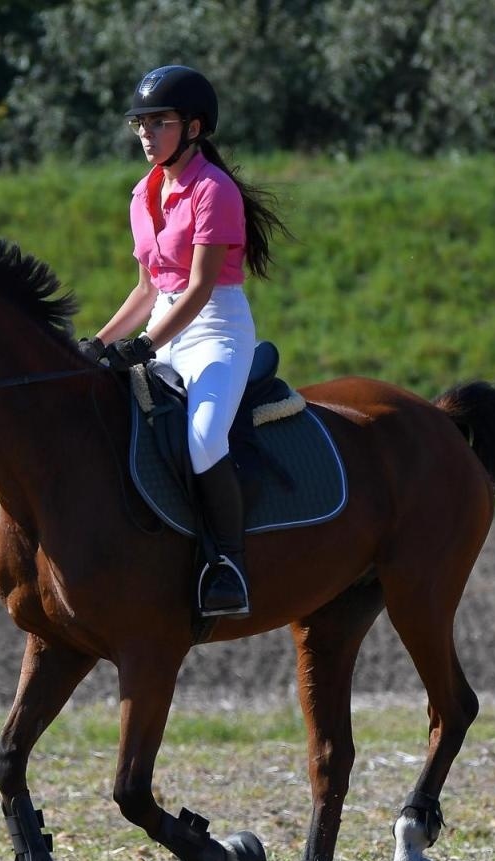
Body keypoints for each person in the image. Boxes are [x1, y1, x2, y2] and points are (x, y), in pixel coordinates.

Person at [78, 64, 288, 618]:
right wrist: (98, 345)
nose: (145, 132)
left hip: (215, 332)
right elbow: (148, 288)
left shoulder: (213, 191)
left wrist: (143, 347)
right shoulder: (143, 193)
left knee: (202, 438)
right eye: (139, 122)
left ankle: (230, 566)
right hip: (163, 329)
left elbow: (197, 288)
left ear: (194, 128)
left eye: (158, 122)